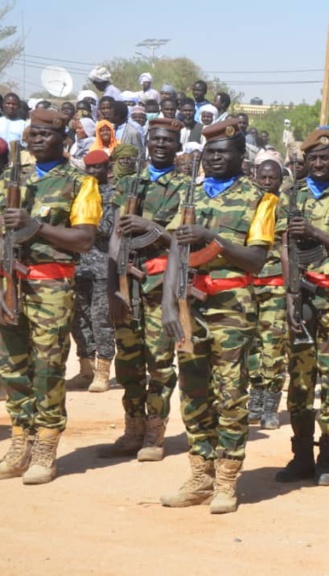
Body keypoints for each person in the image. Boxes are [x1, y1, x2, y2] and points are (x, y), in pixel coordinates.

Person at [160, 118, 277, 514]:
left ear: (240, 157)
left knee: (230, 394)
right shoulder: (190, 196)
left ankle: (227, 479)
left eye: (221, 153)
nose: (213, 158)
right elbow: (176, 251)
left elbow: (257, 260)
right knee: (194, 392)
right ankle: (200, 473)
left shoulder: (260, 199)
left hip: (231, 308)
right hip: (190, 305)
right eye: (208, 153)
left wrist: (214, 240)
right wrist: (167, 303)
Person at [0, 109, 101, 484]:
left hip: (51, 287)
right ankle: (20, 440)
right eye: (33, 133)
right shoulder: (12, 179)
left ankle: (45, 445)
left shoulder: (79, 182)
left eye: (46, 134)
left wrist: (35, 227)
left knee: (47, 367)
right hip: (9, 283)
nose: (37, 139)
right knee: (12, 366)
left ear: (63, 139)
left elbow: (85, 239)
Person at [102, 117, 188, 462]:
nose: (161, 145)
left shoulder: (184, 187)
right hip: (127, 282)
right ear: (147, 143)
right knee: (128, 361)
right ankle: (133, 428)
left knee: (160, 362)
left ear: (177, 145)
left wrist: (149, 226)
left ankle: (155, 432)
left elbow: (180, 241)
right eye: (156, 139)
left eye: (168, 140)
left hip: (159, 285)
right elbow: (114, 237)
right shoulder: (128, 184)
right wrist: (112, 288)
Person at [275, 129, 329, 486]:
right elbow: (284, 246)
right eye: (313, 159)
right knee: (301, 380)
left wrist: (317, 233)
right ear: (304, 162)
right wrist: (291, 294)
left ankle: (328, 456)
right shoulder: (289, 195)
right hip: (301, 296)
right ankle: (301, 454)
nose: (319, 164)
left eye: (326, 158)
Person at [67, 149, 118, 394]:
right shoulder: (79, 191)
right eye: (89, 168)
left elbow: (108, 228)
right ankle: (85, 368)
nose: (93, 172)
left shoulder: (113, 194)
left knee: (101, 319)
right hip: (79, 265)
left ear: (107, 169)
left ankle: (102, 370)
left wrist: (86, 221)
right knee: (78, 318)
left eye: (97, 168)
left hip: (102, 265)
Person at [246, 158, 290, 431]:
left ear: (280, 180)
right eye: (262, 177)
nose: (266, 182)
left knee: (273, 347)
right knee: (251, 347)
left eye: (272, 178)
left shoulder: (284, 210)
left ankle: (271, 407)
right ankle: (256, 400)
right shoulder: (247, 206)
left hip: (275, 286)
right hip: (248, 285)